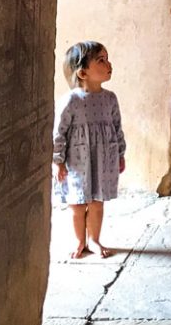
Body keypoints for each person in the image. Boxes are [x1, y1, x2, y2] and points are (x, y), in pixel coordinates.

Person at [53, 42, 126, 259]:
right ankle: (79, 241)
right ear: (83, 72)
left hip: (103, 159)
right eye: (101, 60)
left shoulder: (110, 98)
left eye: (107, 58)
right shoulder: (71, 101)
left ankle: (94, 240)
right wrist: (58, 161)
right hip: (76, 161)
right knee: (77, 204)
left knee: (96, 202)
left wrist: (120, 154)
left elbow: (116, 127)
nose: (108, 64)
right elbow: (59, 132)